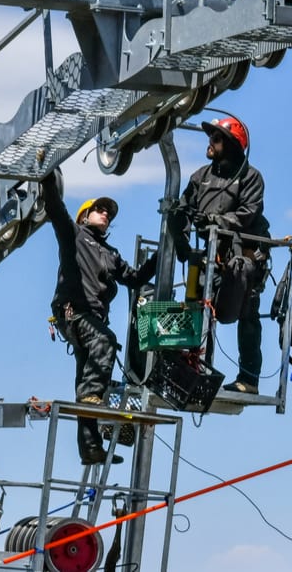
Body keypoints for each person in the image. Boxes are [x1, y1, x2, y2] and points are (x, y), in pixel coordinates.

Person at [40, 168, 157, 465]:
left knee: (86, 381)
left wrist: (164, 251)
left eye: (108, 212)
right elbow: (55, 208)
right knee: (105, 342)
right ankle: (92, 397)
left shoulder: (110, 253)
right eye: (99, 209)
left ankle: (91, 448)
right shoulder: (74, 235)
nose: (105, 214)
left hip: (92, 318)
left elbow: (135, 277)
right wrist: (45, 177)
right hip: (72, 311)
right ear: (84, 216)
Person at [173, 116, 270, 395]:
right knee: (195, 304)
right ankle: (196, 369)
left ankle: (248, 378)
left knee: (246, 313)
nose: (210, 143)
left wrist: (217, 221)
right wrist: (181, 231)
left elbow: (248, 213)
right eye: (211, 138)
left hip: (243, 256)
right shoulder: (201, 177)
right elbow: (184, 207)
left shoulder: (250, 178)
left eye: (216, 138)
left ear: (231, 144)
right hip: (208, 255)